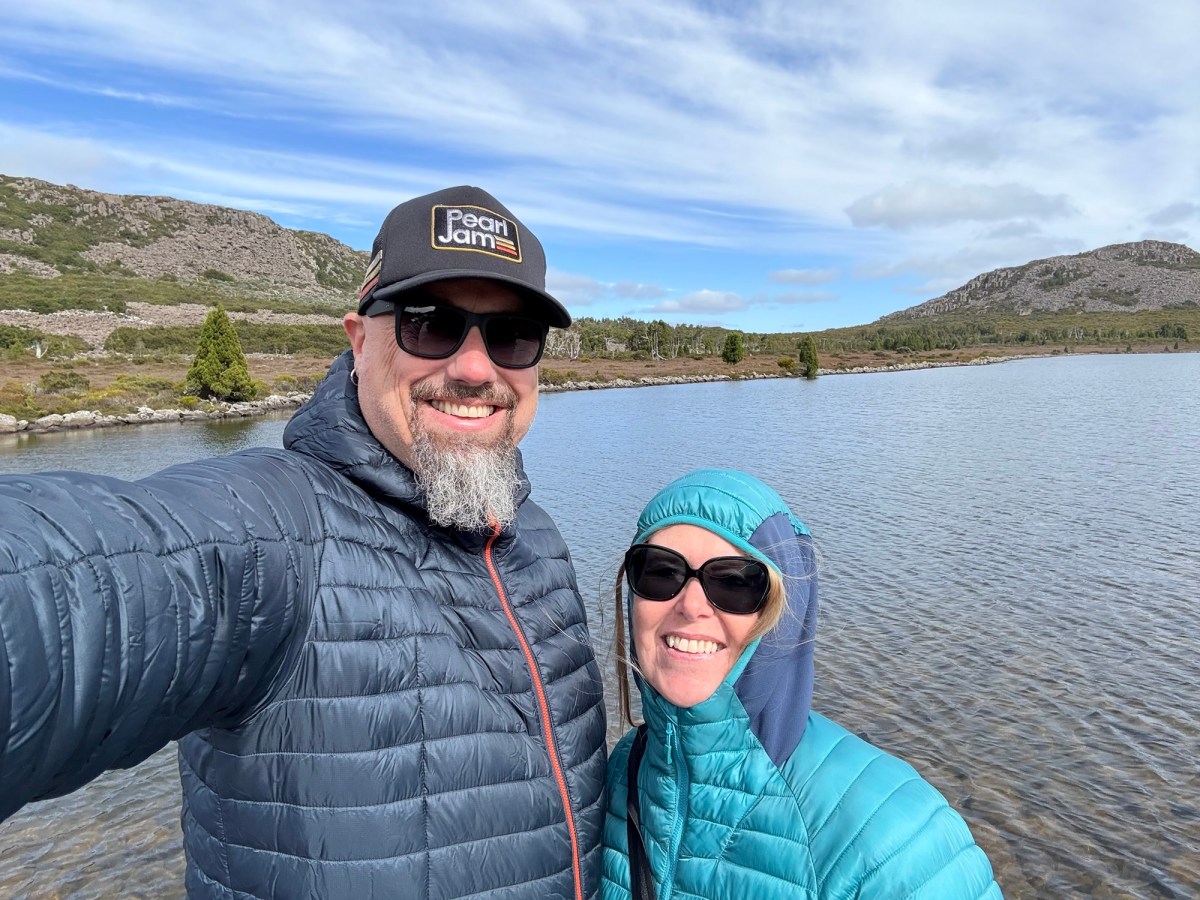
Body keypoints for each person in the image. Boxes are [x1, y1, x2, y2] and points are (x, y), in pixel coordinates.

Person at [0, 186, 607, 899]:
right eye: (429, 324)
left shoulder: (532, 531)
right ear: (358, 339)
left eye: (512, 336)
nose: (476, 369)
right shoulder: (275, 526)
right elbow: (87, 576)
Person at [602, 469, 1002, 899]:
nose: (691, 605)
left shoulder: (894, 836)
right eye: (660, 572)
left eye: (735, 582)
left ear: (782, 615)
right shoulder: (621, 773)